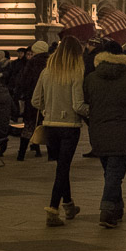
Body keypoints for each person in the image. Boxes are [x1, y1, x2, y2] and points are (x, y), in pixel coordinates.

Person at [84, 40, 126, 228]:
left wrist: (92, 122)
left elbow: (85, 104)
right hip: (123, 131)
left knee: (110, 172)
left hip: (98, 132)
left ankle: (117, 207)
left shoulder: (91, 79)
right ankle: (106, 210)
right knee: (114, 173)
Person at [31, 35, 88, 227]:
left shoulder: (47, 72)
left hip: (50, 126)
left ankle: (69, 204)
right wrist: (92, 111)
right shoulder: (76, 72)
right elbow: (78, 105)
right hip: (69, 128)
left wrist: (48, 111)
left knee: (61, 167)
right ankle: (53, 209)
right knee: (62, 168)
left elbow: (35, 101)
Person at [16, 41, 49, 160]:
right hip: (48, 99)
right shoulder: (52, 62)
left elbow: (24, 81)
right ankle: (51, 154)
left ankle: (21, 154)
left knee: (29, 126)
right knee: (47, 125)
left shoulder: (32, 63)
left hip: (33, 99)